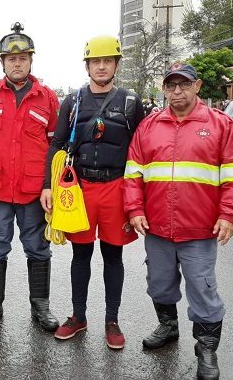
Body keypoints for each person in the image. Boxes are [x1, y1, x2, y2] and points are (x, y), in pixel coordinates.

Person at [124, 62, 233, 380]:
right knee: (159, 284)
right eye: (170, 85)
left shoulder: (222, 125)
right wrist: (135, 210)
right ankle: (168, 327)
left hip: (200, 228)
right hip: (157, 226)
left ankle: (206, 350)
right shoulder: (149, 126)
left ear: (197, 87)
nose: (176, 91)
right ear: (164, 89)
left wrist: (229, 215)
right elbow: (133, 174)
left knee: (202, 289)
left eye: (184, 84)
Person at [41, 35, 144, 349]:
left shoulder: (130, 101)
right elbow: (56, 143)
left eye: (108, 61)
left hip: (116, 188)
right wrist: (47, 185)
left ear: (115, 65)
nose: (101, 66)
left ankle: (111, 321)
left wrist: (140, 197)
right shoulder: (72, 101)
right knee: (80, 255)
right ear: (87, 66)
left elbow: (141, 148)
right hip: (81, 189)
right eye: (96, 61)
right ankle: (78, 316)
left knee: (113, 257)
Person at [0, 22, 60, 332]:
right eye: (10, 58)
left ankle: (41, 307)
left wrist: (49, 185)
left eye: (22, 58)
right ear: (2, 61)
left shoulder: (47, 98)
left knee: (37, 247)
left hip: (34, 190)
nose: (16, 63)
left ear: (31, 60)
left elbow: (57, 147)